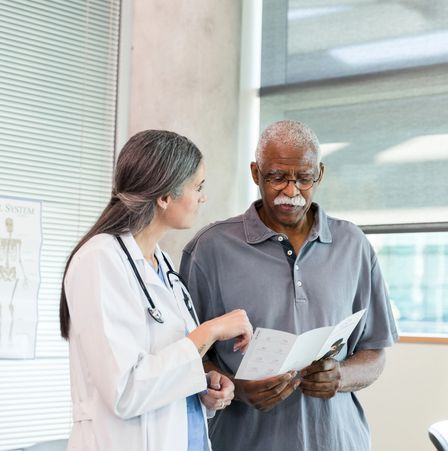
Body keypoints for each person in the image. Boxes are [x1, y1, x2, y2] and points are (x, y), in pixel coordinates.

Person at [180, 120, 398, 451]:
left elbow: (375, 353)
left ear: (319, 174)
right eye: (277, 177)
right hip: (242, 441)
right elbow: (185, 354)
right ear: (256, 173)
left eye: (304, 178)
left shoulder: (353, 244)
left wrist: (340, 376)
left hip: (340, 441)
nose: (291, 191)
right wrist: (237, 388)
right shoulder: (210, 249)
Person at [59, 130, 253, 451]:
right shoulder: (99, 260)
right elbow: (125, 391)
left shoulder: (161, 264)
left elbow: (162, 370)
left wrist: (200, 388)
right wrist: (210, 331)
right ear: (164, 197)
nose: (203, 197)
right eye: (197, 187)